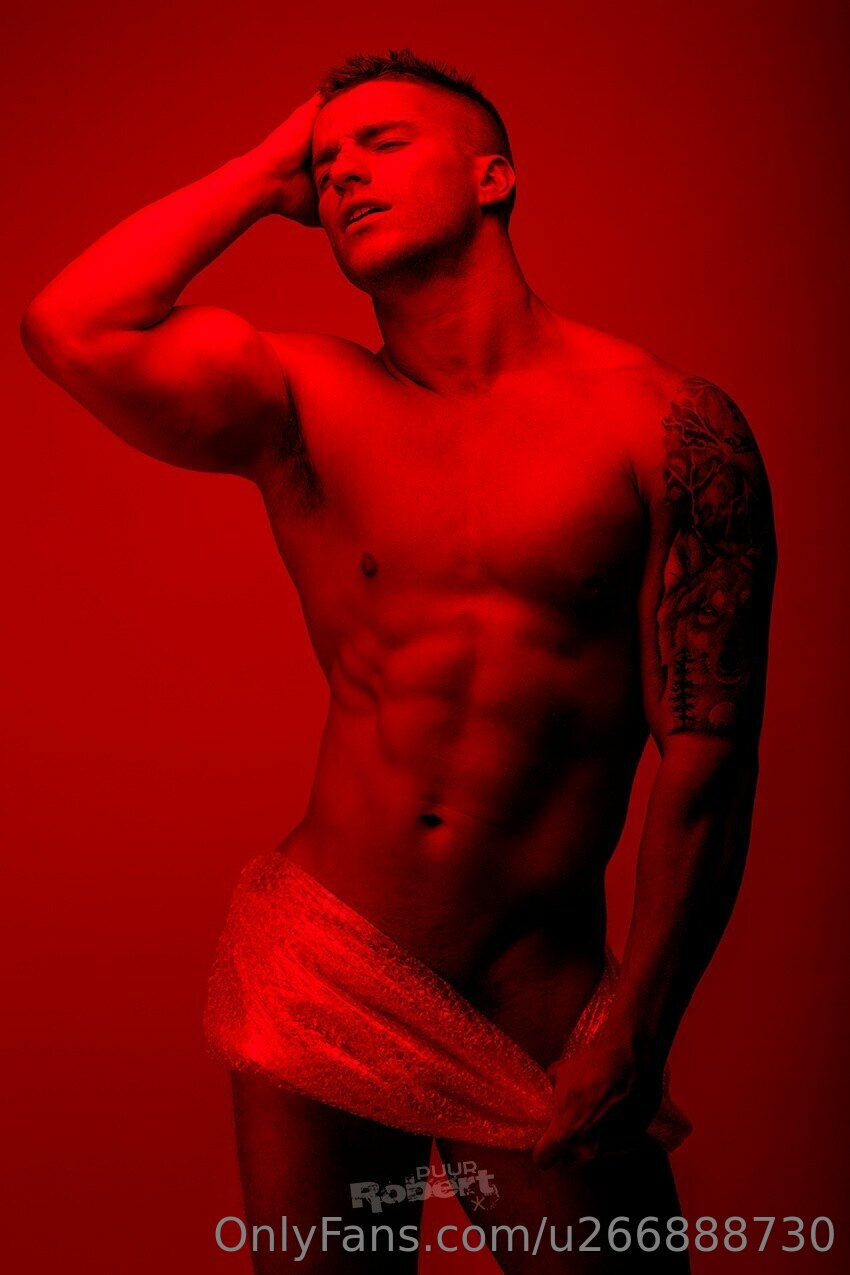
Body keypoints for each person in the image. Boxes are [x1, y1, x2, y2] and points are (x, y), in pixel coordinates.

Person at [20, 48, 776, 1274]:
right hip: (325, 960)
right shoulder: (301, 398)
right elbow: (71, 325)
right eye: (325, 164)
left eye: (382, 142)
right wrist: (261, 169)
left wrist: (640, 1020)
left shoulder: (668, 425)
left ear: (493, 176)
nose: (343, 174)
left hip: (537, 992)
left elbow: (710, 759)